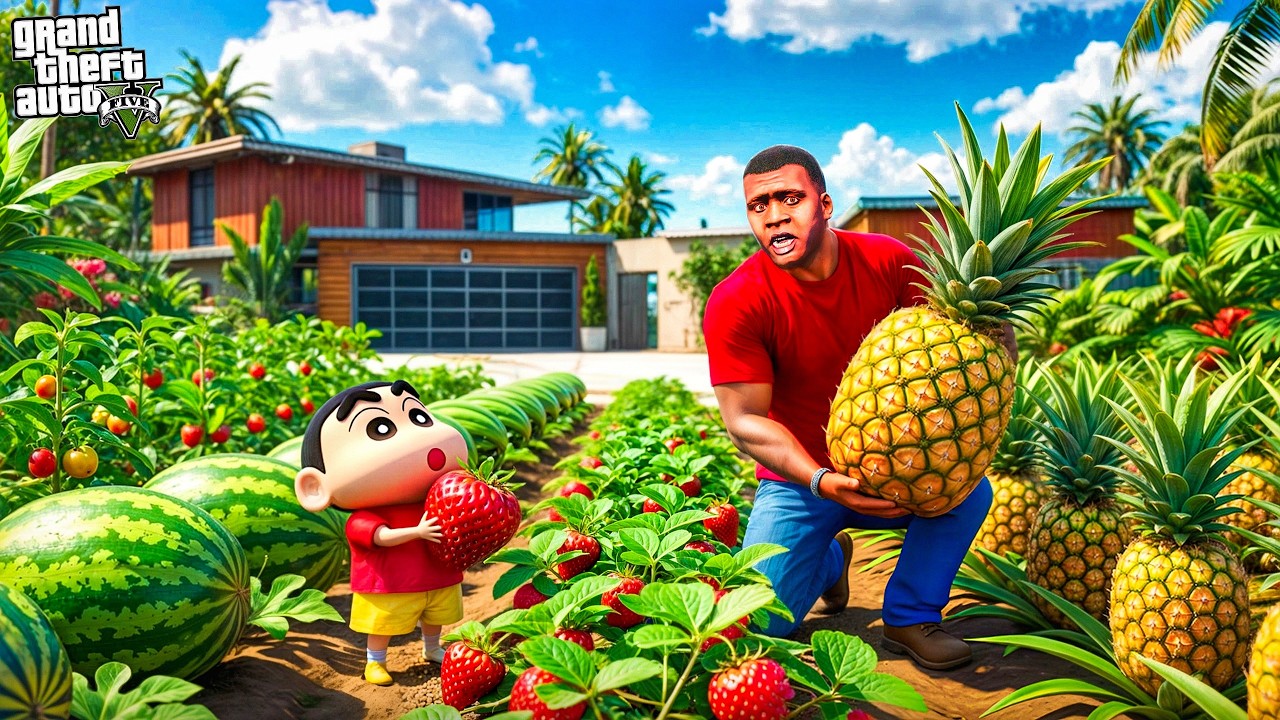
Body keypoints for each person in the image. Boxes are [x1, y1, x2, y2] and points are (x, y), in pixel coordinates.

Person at [703, 145, 1006, 670]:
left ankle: (911, 616)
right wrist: (820, 479)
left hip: (905, 466)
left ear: (824, 205)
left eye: (790, 198)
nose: (774, 216)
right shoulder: (736, 299)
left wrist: (997, 349)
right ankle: (828, 561)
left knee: (970, 492)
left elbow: (962, 355)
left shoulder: (889, 260)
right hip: (799, 482)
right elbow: (744, 420)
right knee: (760, 628)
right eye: (758, 205)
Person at [294, 379, 471, 686]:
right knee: (383, 624)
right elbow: (381, 537)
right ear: (316, 487)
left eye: (419, 417)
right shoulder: (363, 518)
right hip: (390, 586)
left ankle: (432, 648)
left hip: (438, 575)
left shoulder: (438, 497)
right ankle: (375, 661)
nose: (420, 437)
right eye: (380, 428)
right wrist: (417, 531)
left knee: (436, 617)